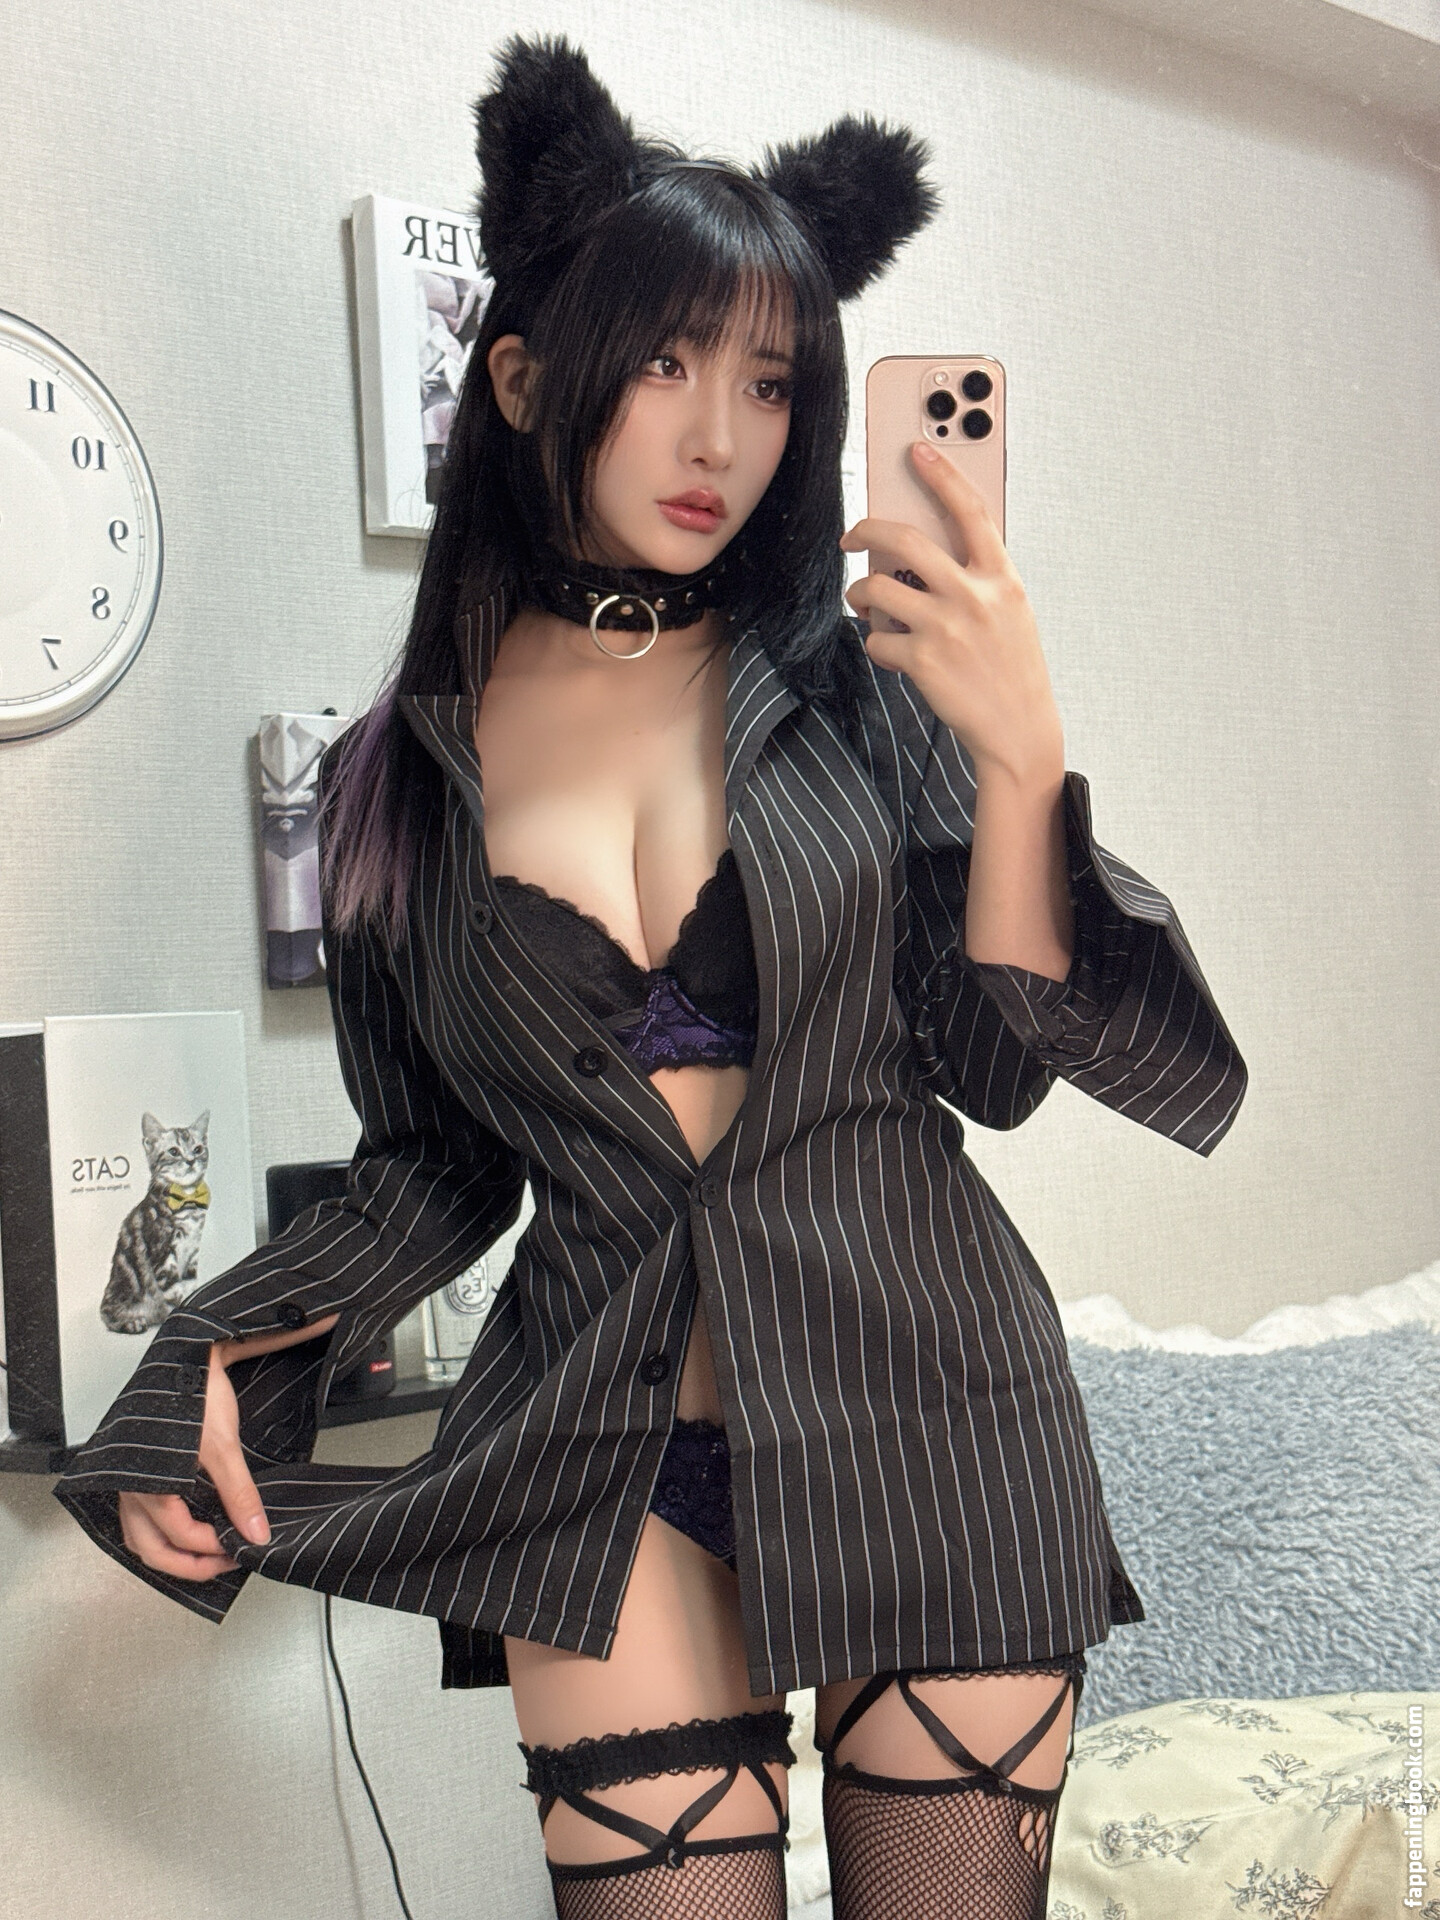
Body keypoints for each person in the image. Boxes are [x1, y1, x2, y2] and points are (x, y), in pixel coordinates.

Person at [54, 36, 1247, 1920]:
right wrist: (210, 1348)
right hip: (598, 1450)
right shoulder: (396, 777)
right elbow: (431, 1166)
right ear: (526, 377)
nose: (721, 440)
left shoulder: (861, 693)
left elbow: (1004, 1064)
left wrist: (1022, 765)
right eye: (670, 364)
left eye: (770, 383)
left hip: (932, 1412)